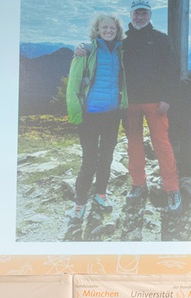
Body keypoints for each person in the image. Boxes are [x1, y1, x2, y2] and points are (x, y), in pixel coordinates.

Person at [65, 13, 124, 240]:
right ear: (97, 30)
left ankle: (100, 193)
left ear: (117, 30)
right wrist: (76, 114)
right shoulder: (86, 51)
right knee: (89, 159)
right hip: (90, 115)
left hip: (112, 114)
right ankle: (80, 203)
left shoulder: (120, 51)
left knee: (107, 157)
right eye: (104, 28)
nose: (108, 31)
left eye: (112, 28)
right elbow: (73, 84)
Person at [119, 0, 181, 211]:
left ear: (150, 15)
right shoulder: (123, 42)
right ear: (130, 15)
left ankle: (172, 188)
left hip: (156, 102)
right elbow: (102, 49)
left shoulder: (161, 40)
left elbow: (172, 70)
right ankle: (138, 184)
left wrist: (167, 97)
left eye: (144, 13)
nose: (140, 17)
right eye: (136, 13)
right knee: (134, 144)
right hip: (130, 103)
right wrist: (82, 48)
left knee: (162, 144)